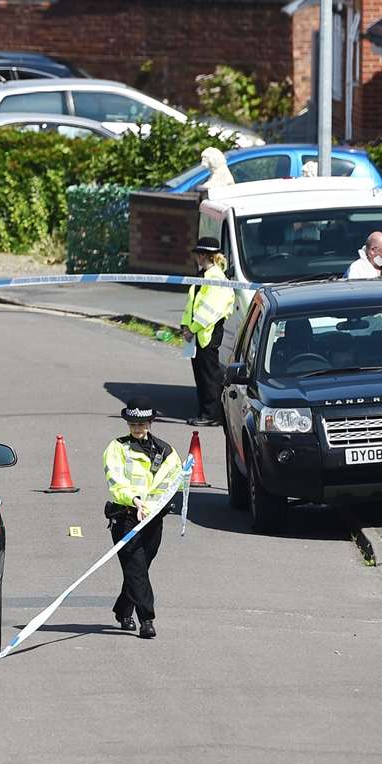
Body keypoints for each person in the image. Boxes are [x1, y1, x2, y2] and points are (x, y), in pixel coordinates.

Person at [103, 396, 182, 640]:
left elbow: (174, 481)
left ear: (150, 422)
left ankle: (122, 610)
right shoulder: (117, 447)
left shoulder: (165, 451)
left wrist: (152, 506)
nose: (138, 428)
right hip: (125, 517)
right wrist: (135, 500)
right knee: (136, 569)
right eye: (133, 424)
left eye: (142, 423)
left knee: (139, 568)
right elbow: (115, 482)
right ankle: (146, 619)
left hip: (152, 518)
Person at [180, 236, 236, 427]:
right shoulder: (203, 276)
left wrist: (192, 328)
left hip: (207, 332)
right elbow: (192, 305)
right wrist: (185, 326)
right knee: (202, 374)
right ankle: (204, 412)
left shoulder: (216, 279)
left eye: (198, 254)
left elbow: (210, 310)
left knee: (209, 375)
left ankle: (211, 415)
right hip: (198, 332)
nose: (196, 257)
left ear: (204, 255)